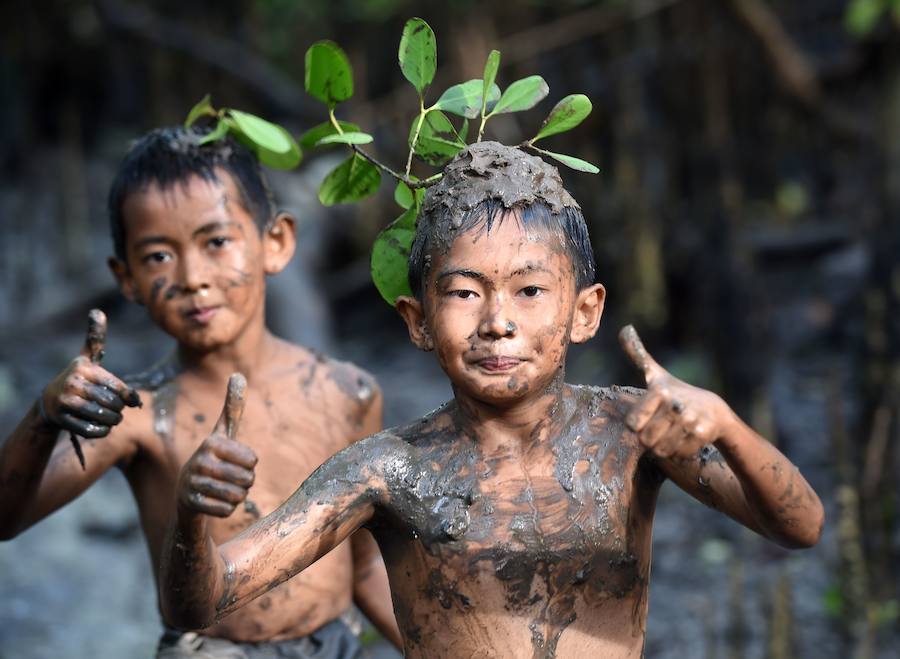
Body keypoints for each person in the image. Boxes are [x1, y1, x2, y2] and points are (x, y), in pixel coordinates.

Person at [158, 141, 824, 659]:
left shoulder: (629, 431)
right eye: (465, 291)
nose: (497, 320)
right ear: (418, 319)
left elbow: (801, 526)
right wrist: (191, 513)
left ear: (585, 311)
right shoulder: (387, 470)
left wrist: (728, 424)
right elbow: (205, 599)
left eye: (530, 290)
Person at [0, 126, 401, 657]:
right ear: (126, 279)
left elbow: (366, 564)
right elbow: (6, 519)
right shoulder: (139, 415)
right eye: (159, 256)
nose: (191, 276)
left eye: (216, 242)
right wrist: (44, 415)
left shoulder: (348, 393)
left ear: (274, 243)